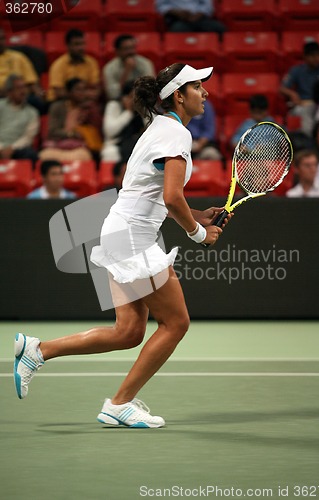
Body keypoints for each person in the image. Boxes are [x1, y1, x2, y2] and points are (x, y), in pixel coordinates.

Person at [14, 63, 233, 428]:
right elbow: (171, 197)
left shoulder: (159, 130)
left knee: (129, 331)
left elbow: (157, 197)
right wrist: (198, 233)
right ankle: (119, 404)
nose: (205, 92)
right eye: (197, 86)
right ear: (178, 95)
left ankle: (38, 351)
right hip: (132, 238)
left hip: (119, 231)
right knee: (176, 323)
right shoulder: (175, 136)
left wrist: (200, 215)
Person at [40, 78, 102, 163]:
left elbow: (97, 131)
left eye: (84, 90)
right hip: (58, 145)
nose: (82, 93)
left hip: (78, 148)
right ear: (68, 92)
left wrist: (92, 111)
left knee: (85, 156)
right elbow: (52, 131)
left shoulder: (88, 109)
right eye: (78, 90)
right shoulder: (57, 107)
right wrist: (71, 134)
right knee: (45, 155)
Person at [279, 41, 319, 116]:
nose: (317, 58)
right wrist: (292, 93)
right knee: (298, 113)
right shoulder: (297, 70)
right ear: (305, 56)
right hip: (304, 104)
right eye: (313, 56)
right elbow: (282, 89)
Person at [0, 27, 45, 113]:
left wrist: (39, 94)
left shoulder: (19, 57)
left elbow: (32, 83)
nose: (0, 42)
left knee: (37, 102)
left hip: (19, 95)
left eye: (2, 38)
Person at [47, 29, 100, 102]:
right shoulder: (58, 65)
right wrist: (80, 95)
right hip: (61, 102)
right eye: (77, 44)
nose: (81, 48)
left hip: (85, 101)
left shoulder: (91, 62)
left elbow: (95, 88)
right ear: (68, 46)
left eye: (82, 44)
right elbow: (59, 93)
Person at [101, 80, 145, 163]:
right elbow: (110, 132)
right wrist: (128, 112)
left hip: (138, 143)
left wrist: (141, 110)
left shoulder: (143, 108)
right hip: (117, 144)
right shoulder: (113, 105)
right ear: (124, 97)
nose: (135, 100)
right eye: (132, 96)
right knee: (110, 153)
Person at [0, 74, 39, 164]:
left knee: (31, 155)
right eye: (18, 88)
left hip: (17, 149)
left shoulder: (32, 112)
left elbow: (28, 137)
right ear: (9, 92)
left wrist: (12, 148)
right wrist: (1, 148)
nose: (23, 91)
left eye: (24, 87)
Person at [103, 34, 155, 101]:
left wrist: (135, 96)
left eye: (132, 48)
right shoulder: (109, 68)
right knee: (111, 106)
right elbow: (113, 94)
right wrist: (127, 70)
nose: (131, 52)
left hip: (142, 99)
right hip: (119, 101)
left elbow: (151, 89)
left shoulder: (145, 63)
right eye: (126, 49)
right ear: (117, 51)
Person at [156, 0, 226, 34]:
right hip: (178, 19)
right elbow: (161, 6)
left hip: (199, 17)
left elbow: (208, 6)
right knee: (178, 30)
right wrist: (177, 13)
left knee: (219, 28)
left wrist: (198, 14)